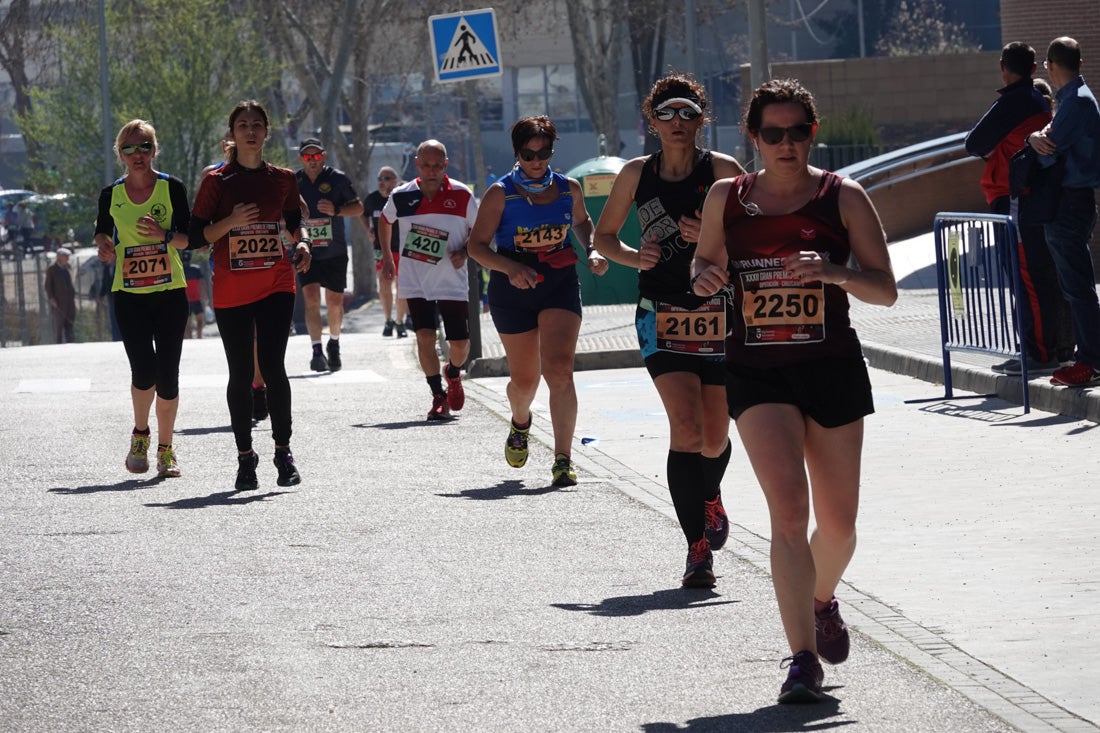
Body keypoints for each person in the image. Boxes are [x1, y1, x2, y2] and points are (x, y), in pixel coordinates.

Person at [692, 79, 897, 703]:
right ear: (753, 138)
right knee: (788, 513)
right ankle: (801, 660)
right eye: (773, 134)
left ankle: (822, 598)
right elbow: (702, 263)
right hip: (758, 371)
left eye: (798, 132)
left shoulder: (845, 197)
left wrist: (834, 272)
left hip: (831, 367)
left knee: (839, 527)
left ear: (813, 131)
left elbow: (885, 289)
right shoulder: (728, 197)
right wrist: (707, 278)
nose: (787, 144)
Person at [594, 74, 745, 587]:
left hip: (720, 313)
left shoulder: (723, 171)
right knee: (688, 429)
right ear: (652, 121)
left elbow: (755, 236)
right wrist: (636, 258)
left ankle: (710, 495)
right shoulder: (637, 174)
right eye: (667, 113)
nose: (678, 123)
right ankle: (697, 550)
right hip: (661, 312)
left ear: (702, 119)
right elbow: (604, 236)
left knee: (717, 433)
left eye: (688, 113)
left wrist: (711, 236)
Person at [468, 116, 608, 486]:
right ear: (517, 153)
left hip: (558, 282)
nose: (536, 160)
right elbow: (476, 247)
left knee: (559, 369)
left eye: (544, 152)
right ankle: (520, 422)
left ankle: (563, 460)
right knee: (524, 381)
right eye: (529, 154)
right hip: (512, 289)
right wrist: (511, 267)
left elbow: (582, 223)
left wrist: (592, 249)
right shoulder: (501, 194)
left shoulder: (568, 189)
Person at [189, 99, 313, 491]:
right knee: (241, 374)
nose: (250, 130)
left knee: (274, 368)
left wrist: (304, 243)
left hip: (276, 282)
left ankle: (283, 452)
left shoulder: (283, 179)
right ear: (233, 133)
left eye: (256, 124)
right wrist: (230, 222)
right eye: (242, 124)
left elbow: (296, 222)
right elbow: (195, 237)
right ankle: (245, 458)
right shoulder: (216, 180)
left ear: (266, 131)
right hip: (232, 289)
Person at [965, 42, 1072, 375]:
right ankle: (1046, 348)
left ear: (1003, 67)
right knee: (1038, 276)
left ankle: (1039, 354)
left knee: (1027, 276)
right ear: (1034, 67)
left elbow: (975, 142)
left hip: (1015, 198)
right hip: (1031, 196)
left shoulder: (1014, 101)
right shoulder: (1039, 100)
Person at [93, 120, 192, 477]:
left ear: (154, 149)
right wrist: (104, 246)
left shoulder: (171, 188)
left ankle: (166, 448)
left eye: (144, 146)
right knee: (143, 371)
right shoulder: (111, 194)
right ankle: (140, 434)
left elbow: (190, 239)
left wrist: (164, 235)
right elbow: (103, 232)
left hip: (169, 292)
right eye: (129, 148)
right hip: (129, 295)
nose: (138, 155)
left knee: (168, 375)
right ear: (119, 153)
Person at [380, 140, 478, 421]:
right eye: (426, 165)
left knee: (459, 344)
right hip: (415, 278)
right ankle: (437, 396)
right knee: (424, 336)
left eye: (437, 166)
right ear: (417, 165)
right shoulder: (402, 195)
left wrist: (464, 250)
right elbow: (385, 221)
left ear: (445, 165)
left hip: (451, 279)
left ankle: (454, 372)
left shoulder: (461, 195)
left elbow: (482, 228)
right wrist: (388, 258)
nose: (432, 170)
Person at [1027, 37, 1100, 388]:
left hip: (1070, 201)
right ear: (1080, 63)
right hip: (1071, 200)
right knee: (1075, 285)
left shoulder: (1077, 102)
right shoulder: (1073, 100)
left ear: (1050, 66)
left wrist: (1034, 142)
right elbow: (1048, 138)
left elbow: (1048, 151)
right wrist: (1036, 136)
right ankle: (1088, 358)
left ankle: (1091, 361)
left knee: (1077, 286)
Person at [295, 137, 364, 372]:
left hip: (334, 251)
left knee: (334, 303)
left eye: (316, 156)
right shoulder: (294, 181)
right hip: (306, 250)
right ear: (300, 158)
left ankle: (334, 343)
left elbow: (358, 208)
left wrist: (336, 210)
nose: (312, 161)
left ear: (323, 156)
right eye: (307, 157)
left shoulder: (338, 179)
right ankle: (316, 351)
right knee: (311, 298)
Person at [363, 165, 408, 337]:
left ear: (395, 180)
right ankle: (388, 320)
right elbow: (363, 213)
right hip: (381, 249)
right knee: (384, 284)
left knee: (401, 285)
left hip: (401, 248)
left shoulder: (401, 197)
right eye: (379, 179)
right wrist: (368, 229)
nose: (382, 182)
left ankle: (400, 321)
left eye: (386, 178)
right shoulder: (372, 199)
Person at [44, 246, 77, 343]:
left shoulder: (68, 268)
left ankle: (71, 345)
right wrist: (52, 299)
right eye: (65, 256)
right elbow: (48, 286)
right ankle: (58, 347)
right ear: (59, 257)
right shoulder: (52, 270)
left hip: (70, 301)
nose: (67, 258)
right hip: (59, 302)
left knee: (70, 324)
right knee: (59, 326)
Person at [182, 250, 205, 338]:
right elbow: (202, 284)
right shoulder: (196, 269)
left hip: (185, 300)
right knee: (199, 321)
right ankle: (199, 338)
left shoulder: (181, 270)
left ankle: (188, 339)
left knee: (187, 324)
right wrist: (204, 296)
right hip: (196, 298)